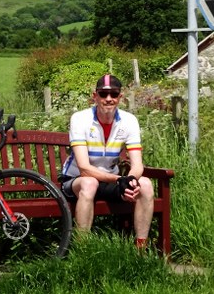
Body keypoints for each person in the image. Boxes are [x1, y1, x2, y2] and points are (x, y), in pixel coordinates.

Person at [60, 74, 154, 249]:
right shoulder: (80, 119)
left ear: (120, 97)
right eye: (103, 94)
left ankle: (141, 249)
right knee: (89, 183)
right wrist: (119, 180)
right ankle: (83, 250)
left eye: (114, 94)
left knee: (146, 184)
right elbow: (84, 168)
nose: (108, 99)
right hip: (77, 181)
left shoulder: (129, 121)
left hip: (111, 180)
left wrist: (129, 181)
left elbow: (137, 165)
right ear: (94, 96)